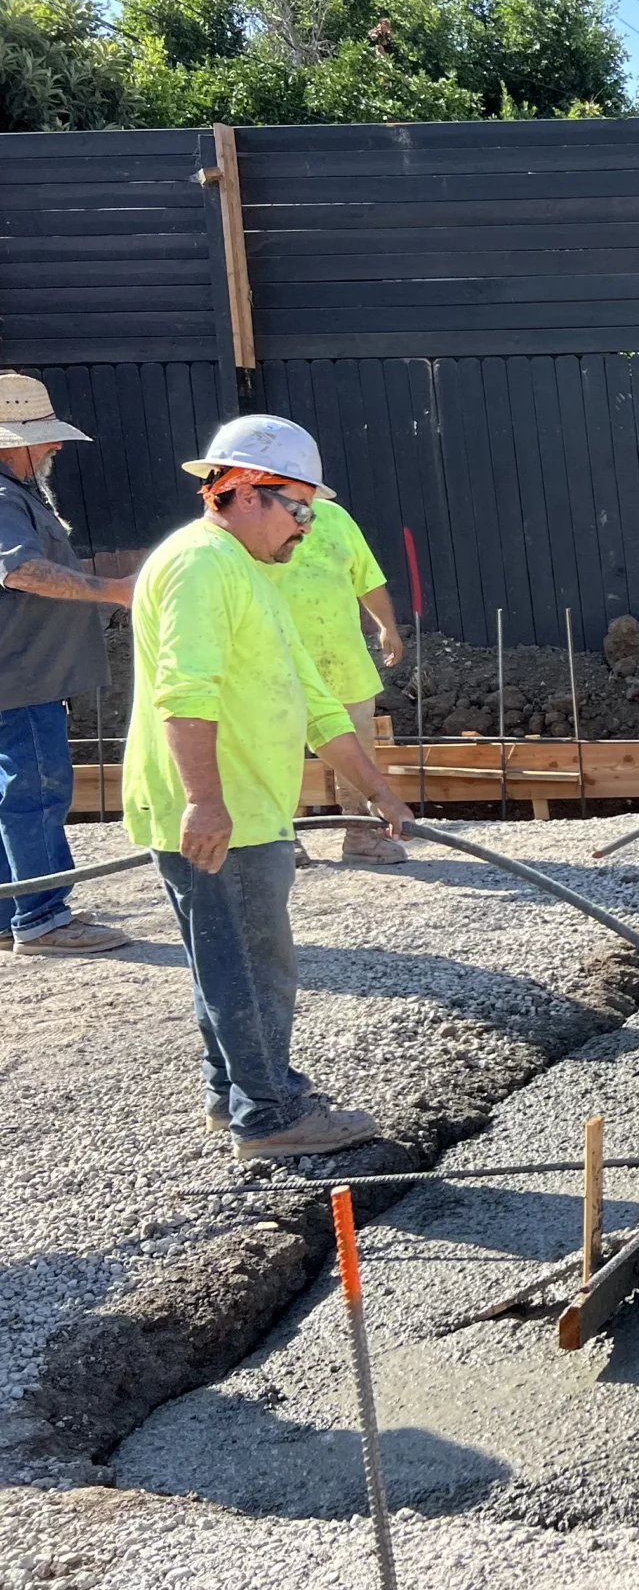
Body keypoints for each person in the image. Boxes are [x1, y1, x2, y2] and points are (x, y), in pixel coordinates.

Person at [129, 414, 416, 1159]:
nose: (306, 528)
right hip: (223, 807)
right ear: (246, 491)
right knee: (253, 964)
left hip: (247, 800)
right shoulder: (200, 566)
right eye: (299, 510)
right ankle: (271, 1113)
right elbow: (184, 691)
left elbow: (315, 698)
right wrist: (203, 799)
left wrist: (377, 790)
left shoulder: (246, 569)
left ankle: (236, 1096)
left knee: (227, 958)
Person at [0, 372, 135, 957]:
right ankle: (46, 917)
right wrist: (114, 590)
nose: (56, 446)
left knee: (16, 794)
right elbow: (21, 571)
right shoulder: (5, 498)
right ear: (13, 440)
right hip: (23, 676)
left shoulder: (16, 494)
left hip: (23, 673)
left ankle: (17, 910)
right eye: (46, 437)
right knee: (36, 791)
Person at [266, 491, 408, 863]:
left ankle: (360, 833)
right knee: (277, 747)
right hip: (275, 658)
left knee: (358, 742)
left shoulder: (335, 517)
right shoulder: (253, 525)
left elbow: (366, 576)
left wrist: (386, 626)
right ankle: (281, 836)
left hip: (342, 658)